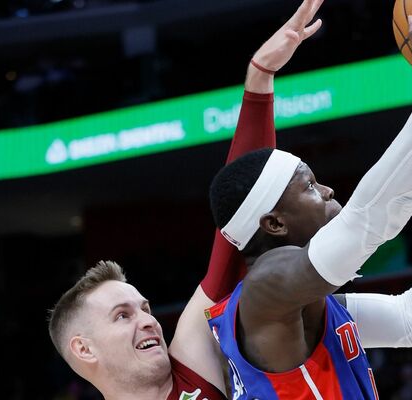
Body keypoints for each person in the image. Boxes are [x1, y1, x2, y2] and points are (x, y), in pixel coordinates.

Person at [205, 0, 412, 398]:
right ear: (275, 223)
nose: (328, 191)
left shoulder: (309, 302)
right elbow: (367, 222)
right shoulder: (265, 289)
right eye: (310, 187)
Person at [44, 1, 317, 398]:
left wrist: (259, 80)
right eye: (123, 316)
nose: (148, 321)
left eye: (144, 308)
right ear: (84, 349)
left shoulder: (190, 366)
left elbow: (238, 215)